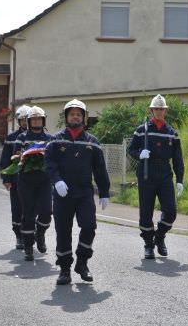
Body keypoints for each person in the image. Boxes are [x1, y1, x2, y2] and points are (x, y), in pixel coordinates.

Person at [45, 99, 111, 285]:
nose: (75, 117)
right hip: (62, 194)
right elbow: (49, 164)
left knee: (89, 226)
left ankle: (82, 262)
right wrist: (57, 181)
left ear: (84, 118)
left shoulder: (93, 142)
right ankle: (65, 269)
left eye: (79, 114)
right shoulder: (55, 140)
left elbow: (100, 169)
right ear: (66, 117)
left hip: (84, 193)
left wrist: (104, 192)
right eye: (72, 114)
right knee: (63, 231)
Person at [129, 94, 185, 259]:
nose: (159, 112)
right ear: (151, 110)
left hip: (164, 173)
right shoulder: (141, 130)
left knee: (171, 211)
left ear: (165, 111)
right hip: (147, 171)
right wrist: (140, 154)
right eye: (156, 109)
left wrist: (180, 179)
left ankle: (159, 237)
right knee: (146, 212)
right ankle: (148, 244)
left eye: (162, 109)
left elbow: (178, 159)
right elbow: (131, 150)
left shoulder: (172, 133)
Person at [14, 106, 53, 261]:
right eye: (33, 119)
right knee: (28, 214)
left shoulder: (50, 138)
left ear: (43, 121)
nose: (36, 121)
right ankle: (29, 247)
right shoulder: (21, 138)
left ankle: (41, 233)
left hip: (45, 180)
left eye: (39, 119)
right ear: (29, 121)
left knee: (46, 212)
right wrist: (23, 157)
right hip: (26, 180)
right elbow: (15, 157)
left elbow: (54, 157)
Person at [0, 104, 31, 250]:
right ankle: (19, 236)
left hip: (34, 180)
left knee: (32, 209)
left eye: (27, 119)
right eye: (22, 119)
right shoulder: (11, 138)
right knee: (17, 209)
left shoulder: (40, 136)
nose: (24, 122)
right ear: (18, 121)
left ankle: (30, 234)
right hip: (16, 180)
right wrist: (5, 178)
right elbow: (5, 159)